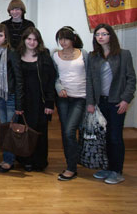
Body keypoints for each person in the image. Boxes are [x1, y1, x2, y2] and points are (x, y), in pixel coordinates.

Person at [86, 24, 136, 185]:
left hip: (117, 102)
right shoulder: (93, 56)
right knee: (104, 138)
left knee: (115, 137)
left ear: (111, 36)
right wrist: (90, 102)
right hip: (100, 103)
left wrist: (126, 99)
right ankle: (108, 167)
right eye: (97, 34)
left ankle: (117, 171)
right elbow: (90, 82)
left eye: (104, 34)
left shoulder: (124, 54)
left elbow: (131, 79)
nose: (100, 37)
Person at [16, 27, 55, 172]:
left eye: (35, 39)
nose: (32, 42)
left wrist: (50, 102)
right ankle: (25, 160)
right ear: (24, 40)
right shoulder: (17, 54)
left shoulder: (44, 55)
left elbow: (51, 79)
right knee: (25, 130)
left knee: (40, 132)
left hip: (41, 100)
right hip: (23, 100)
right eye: (29, 39)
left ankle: (39, 162)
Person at [52, 26, 87, 181]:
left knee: (70, 131)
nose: (63, 42)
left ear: (73, 39)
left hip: (80, 98)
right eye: (60, 38)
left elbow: (91, 76)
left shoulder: (83, 54)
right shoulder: (55, 55)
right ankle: (71, 166)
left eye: (65, 38)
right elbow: (54, 77)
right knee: (66, 133)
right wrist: (59, 87)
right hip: (63, 99)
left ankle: (74, 165)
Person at [0, 24, 23, 173]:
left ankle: (8, 161)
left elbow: (19, 78)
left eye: (0, 35)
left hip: (10, 96)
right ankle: (8, 158)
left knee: (10, 129)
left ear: (6, 36)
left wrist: (19, 103)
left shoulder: (12, 53)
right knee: (4, 128)